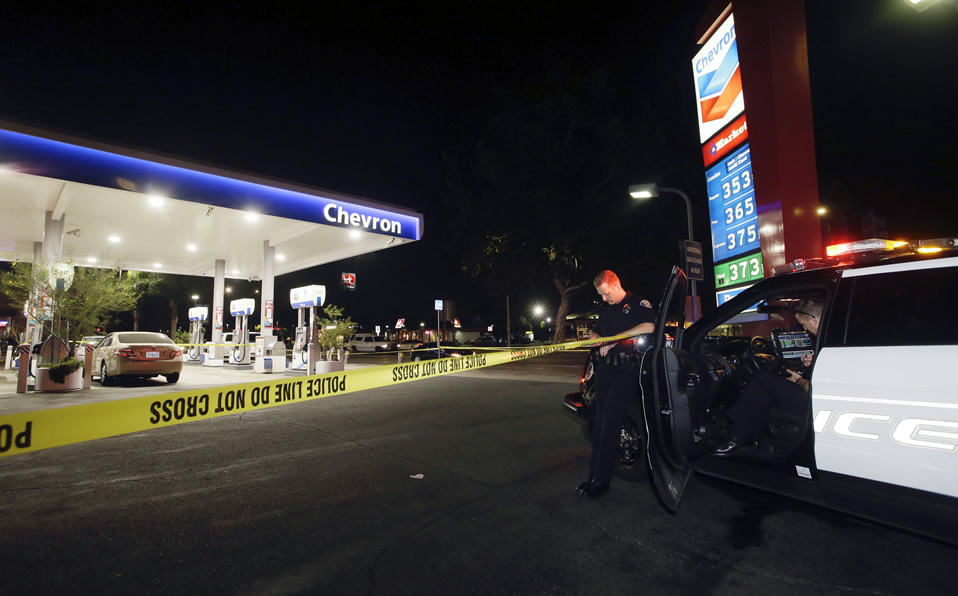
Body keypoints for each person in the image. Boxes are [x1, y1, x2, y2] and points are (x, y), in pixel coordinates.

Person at [577, 270, 656, 499]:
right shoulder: (607, 308)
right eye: (600, 295)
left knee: (611, 423)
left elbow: (649, 327)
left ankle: (601, 481)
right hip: (605, 372)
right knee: (601, 425)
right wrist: (594, 336)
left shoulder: (638, 303)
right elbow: (597, 330)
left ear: (615, 284)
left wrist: (615, 339)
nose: (603, 299)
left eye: (605, 294)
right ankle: (594, 476)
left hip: (626, 371)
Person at [710, 297, 823, 457]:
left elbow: (815, 388)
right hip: (819, 400)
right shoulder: (831, 338)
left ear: (814, 319)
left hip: (816, 401)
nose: (804, 329)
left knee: (763, 382)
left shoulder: (827, 339)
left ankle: (737, 437)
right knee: (771, 388)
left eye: (804, 324)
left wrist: (798, 380)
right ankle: (756, 439)